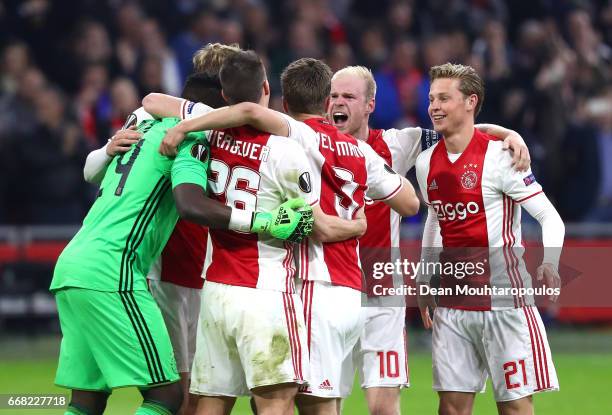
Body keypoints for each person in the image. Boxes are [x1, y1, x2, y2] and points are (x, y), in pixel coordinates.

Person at [156, 57, 420, 415]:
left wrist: (184, 127)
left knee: (283, 400)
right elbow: (409, 203)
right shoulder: (361, 151)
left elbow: (168, 103)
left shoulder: (295, 139)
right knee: (308, 397)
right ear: (327, 102)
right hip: (351, 288)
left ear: (283, 102)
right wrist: (360, 216)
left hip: (307, 284)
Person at [51, 73, 314, 415]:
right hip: (112, 270)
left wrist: (104, 148)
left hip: (72, 264)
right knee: (167, 397)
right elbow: (190, 204)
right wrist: (262, 221)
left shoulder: (140, 131)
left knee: (87, 399)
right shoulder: (192, 138)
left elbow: (92, 169)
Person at [328, 65, 531, 415]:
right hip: (330, 292)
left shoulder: (396, 144)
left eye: (348, 96)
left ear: (370, 105)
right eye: (333, 96)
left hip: (382, 296)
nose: (337, 103)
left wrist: (509, 133)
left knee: (382, 407)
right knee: (327, 403)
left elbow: (462, 131)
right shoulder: (314, 145)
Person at [83, 43, 241, 415]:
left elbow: (90, 169)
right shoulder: (205, 119)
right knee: (183, 394)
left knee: (208, 391)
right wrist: (109, 149)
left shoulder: (171, 116)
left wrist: (105, 152)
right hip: (171, 269)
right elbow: (95, 168)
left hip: (203, 271)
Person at [415, 63, 563, 415]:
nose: (434, 106)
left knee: (513, 407)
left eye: (444, 98)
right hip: (452, 304)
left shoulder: (501, 157)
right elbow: (436, 216)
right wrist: (424, 277)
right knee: (450, 408)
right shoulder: (424, 163)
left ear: (470, 102)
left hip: (504, 303)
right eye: (432, 98)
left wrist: (550, 261)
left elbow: (549, 216)